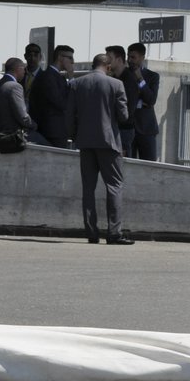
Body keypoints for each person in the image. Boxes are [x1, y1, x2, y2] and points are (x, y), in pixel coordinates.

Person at [67, 53, 132, 245]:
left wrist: (74, 135)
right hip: (108, 142)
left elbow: (69, 114)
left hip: (85, 142)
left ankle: (92, 233)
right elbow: (124, 116)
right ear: (108, 66)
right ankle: (114, 233)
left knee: (88, 188)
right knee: (114, 186)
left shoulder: (76, 84)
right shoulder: (116, 85)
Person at [28, 44, 75, 147]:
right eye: (70, 58)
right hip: (51, 133)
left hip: (55, 131)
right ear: (60, 57)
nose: (73, 61)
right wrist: (71, 77)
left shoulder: (57, 77)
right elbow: (62, 103)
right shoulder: (48, 77)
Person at [0, 58, 36, 147]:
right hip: (12, 136)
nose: (25, 72)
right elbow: (23, 117)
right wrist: (35, 125)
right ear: (18, 68)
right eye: (24, 68)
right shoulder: (15, 86)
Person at [125, 42, 161, 161]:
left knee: (149, 165)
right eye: (128, 56)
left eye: (133, 57)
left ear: (142, 57)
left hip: (146, 129)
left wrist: (140, 79)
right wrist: (140, 102)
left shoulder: (152, 76)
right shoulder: (124, 75)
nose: (130, 60)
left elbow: (151, 100)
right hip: (128, 127)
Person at [105, 45, 138, 156]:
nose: (106, 61)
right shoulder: (113, 77)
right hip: (114, 128)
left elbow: (129, 108)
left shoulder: (129, 79)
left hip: (124, 130)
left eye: (109, 58)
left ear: (119, 60)